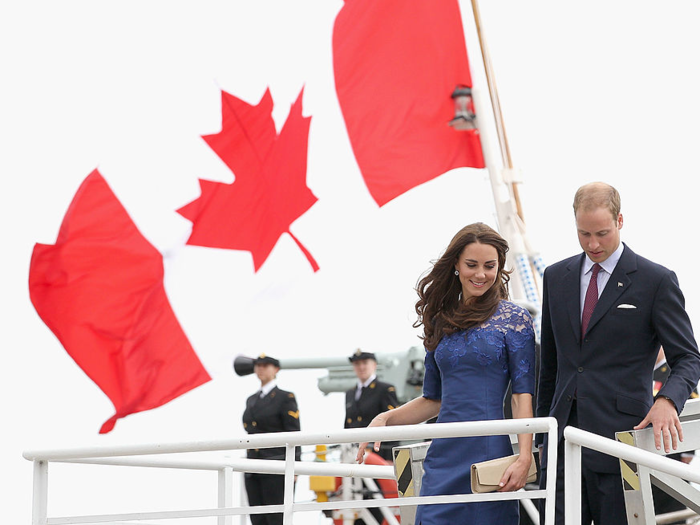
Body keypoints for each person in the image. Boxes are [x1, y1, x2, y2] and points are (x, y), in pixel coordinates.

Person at [536, 182, 700, 525]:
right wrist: (542, 439)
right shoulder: (555, 277)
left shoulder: (656, 280)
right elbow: (549, 367)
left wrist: (667, 400)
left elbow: (688, 358)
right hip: (563, 444)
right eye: (584, 234)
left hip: (623, 441)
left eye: (602, 233)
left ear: (620, 221)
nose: (593, 244)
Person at [357, 222, 536, 525]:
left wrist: (524, 457)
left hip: (489, 452)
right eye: (472, 265)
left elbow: (522, 396)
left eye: (489, 266)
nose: (480, 274)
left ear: (499, 267)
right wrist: (386, 418)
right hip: (443, 456)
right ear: (455, 265)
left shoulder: (514, 319)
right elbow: (433, 400)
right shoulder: (440, 320)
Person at [242, 354, 301, 525]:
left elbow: (294, 432)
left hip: (276, 465)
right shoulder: (251, 399)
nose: (260, 368)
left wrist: (296, 464)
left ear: (276, 370)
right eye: (258, 365)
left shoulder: (285, 398)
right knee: (257, 518)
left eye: (265, 365)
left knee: (276, 517)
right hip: (253, 467)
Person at [651, 348, 698, 521]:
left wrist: (687, 453)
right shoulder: (638, 373)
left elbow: (690, 410)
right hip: (645, 454)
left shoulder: (675, 374)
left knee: (672, 515)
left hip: (671, 455)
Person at [345, 349, 400, 462]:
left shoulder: (385, 390)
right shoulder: (350, 393)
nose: (361, 367)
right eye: (357, 364)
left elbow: (394, 423)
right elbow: (347, 424)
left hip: (379, 455)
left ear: (374, 365)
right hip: (355, 455)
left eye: (365, 363)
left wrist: (390, 458)